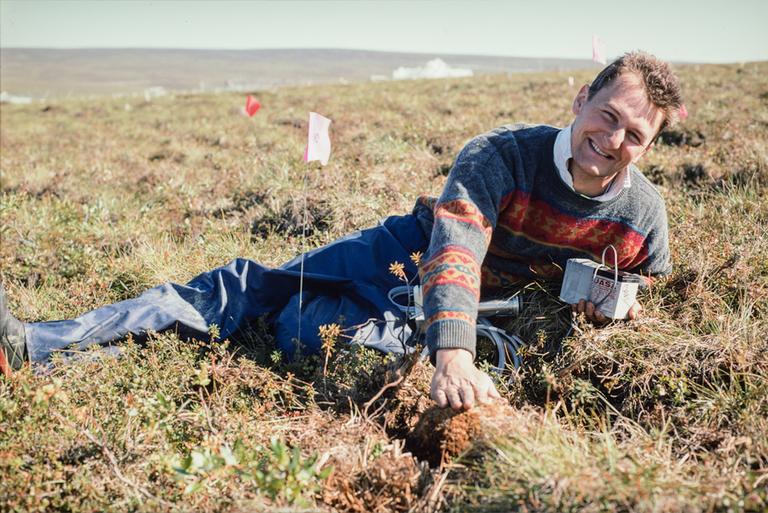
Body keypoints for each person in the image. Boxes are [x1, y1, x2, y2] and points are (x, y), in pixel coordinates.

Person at [1, 51, 682, 411]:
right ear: (580, 102)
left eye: (635, 134)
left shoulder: (642, 218)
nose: (613, 139)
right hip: (403, 254)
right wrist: (453, 353)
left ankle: (304, 335)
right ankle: (34, 346)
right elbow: (455, 251)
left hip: (477, 319)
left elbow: (639, 282)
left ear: (648, 147)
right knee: (245, 290)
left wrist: (613, 309)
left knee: (297, 331)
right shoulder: (498, 155)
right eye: (608, 116)